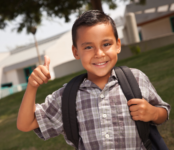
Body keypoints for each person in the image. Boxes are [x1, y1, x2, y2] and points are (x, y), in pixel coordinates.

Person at [17, 10, 171, 150]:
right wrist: (32, 86)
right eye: (88, 47)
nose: (99, 53)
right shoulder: (67, 96)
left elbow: (163, 112)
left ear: (118, 45)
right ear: (76, 52)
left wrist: (153, 113)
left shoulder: (136, 79)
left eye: (106, 44)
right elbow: (26, 124)